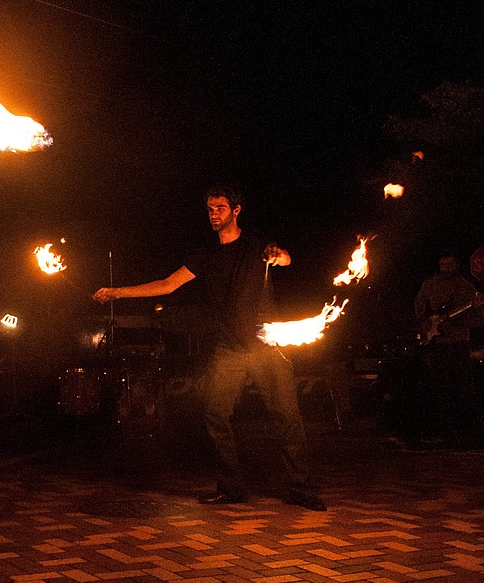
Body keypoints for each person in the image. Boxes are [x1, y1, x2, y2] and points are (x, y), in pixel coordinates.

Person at [94, 185, 325, 510]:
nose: (214, 214)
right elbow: (167, 284)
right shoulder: (204, 255)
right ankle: (232, 488)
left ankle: (300, 486)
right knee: (215, 415)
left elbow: (286, 258)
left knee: (287, 415)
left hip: (265, 344)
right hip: (229, 348)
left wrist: (279, 255)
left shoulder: (258, 246)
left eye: (220, 207)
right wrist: (117, 293)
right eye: (210, 209)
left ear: (236, 210)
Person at [414, 253, 484, 446]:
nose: (445, 267)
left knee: (465, 389)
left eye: (449, 264)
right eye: (442, 264)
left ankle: (473, 433)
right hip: (439, 345)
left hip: (459, 343)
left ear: (457, 265)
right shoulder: (429, 285)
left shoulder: (466, 287)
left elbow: (479, 319)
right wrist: (426, 324)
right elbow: (420, 309)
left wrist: (458, 320)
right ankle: (446, 432)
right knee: (441, 391)